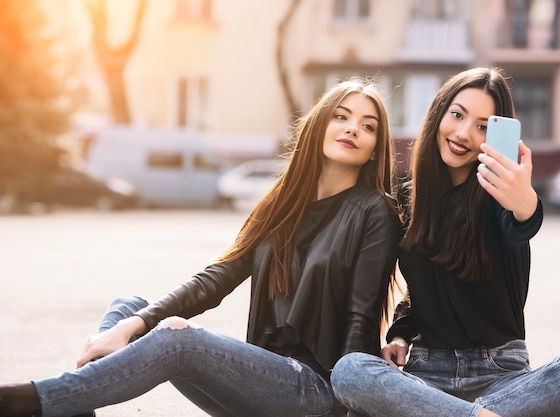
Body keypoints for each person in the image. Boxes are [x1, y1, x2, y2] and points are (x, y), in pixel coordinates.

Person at [0, 77, 403, 417]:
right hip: (263, 379)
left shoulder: (375, 211)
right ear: (319, 125)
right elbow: (218, 278)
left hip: (317, 390)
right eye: (341, 116)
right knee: (129, 307)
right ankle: (76, 401)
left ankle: (34, 399)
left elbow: (359, 317)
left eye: (368, 126)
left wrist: (353, 405)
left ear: (374, 147)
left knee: (180, 339)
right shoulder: (283, 202)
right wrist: (132, 325)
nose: (353, 129)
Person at [330, 67, 560, 417]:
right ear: (438, 114)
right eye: (457, 115)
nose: (464, 133)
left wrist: (524, 202)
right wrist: (400, 335)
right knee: (350, 371)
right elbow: (425, 290)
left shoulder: (500, 197)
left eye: (483, 126)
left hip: (502, 375)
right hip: (428, 376)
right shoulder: (409, 200)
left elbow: (522, 223)